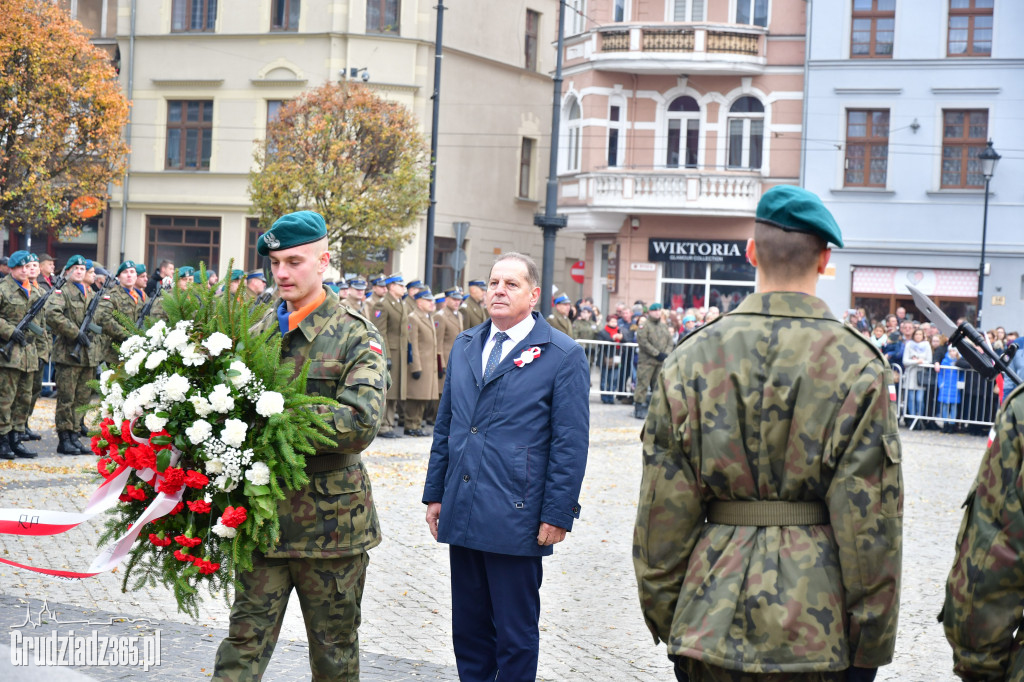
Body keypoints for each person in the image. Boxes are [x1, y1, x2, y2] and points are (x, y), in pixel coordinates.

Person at [634, 185, 902, 682]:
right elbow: (870, 524)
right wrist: (869, 645)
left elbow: (661, 513)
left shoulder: (690, 357)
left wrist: (672, 616)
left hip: (707, 611)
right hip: (816, 629)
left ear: (751, 251)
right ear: (825, 260)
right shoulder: (858, 364)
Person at [213, 210, 387, 682]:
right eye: (275, 263)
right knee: (242, 646)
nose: (283, 273)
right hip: (265, 521)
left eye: (295, 261)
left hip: (331, 529)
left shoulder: (355, 334)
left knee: (334, 655)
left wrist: (276, 412)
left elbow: (361, 423)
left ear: (323, 261)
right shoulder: (259, 329)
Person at [422, 252, 589, 682]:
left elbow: (570, 442)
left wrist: (557, 512)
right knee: (470, 632)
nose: (498, 290)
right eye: (494, 282)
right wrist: (436, 494)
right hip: (463, 505)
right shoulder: (466, 344)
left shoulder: (561, 354)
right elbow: (447, 424)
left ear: (533, 295)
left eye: (511, 284)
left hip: (516, 512)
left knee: (514, 636)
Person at [45, 254, 101, 455]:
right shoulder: (62, 291)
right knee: (67, 399)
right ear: (67, 272)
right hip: (68, 354)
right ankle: (64, 437)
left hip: (87, 356)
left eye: (82, 268)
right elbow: (52, 314)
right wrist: (75, 332)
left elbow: (100, 319)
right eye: (75, 268)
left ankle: (76, 435)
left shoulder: (91, 294)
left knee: (82, 399)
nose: (79, 271)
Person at [0, 251, 41, 459]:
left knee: (24, 399)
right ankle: (3, 440)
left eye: (28, 267)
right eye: (21, 268)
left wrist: (41, 350)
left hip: (29, 354)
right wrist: (9, 330)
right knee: (5, 399)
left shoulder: (34, 291)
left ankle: (17, 438)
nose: (26, 271)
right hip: (8, 354)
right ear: (11, 269)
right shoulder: (3, 289)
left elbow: (39, 325)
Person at [372, 273, 409, 438]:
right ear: (392, 286)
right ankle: (383, 426)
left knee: (396, 390)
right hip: (390, 352)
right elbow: (381, 332)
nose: (404, 288)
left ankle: (390, 424)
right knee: (387, 389)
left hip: (400, 352)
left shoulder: (400, 303)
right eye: (401, 285)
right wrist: (385, 355)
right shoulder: (382, 305)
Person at [404, 289, 438, 437]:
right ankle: (410, 424)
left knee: (423, 397)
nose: (432, 303)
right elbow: (413, 344)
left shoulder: (428, 317)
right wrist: (415, 366)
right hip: (419, 363)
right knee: (415, 396)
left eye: (432, 300)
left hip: (429, 364)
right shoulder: (413, 317)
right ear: (419, 302)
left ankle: (417, 424)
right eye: (428, 300)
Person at [633, 302, 673, 420]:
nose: (657, 312)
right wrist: (657, 353)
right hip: (647, 361)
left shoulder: (664, 326)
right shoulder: (644, 326)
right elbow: (643, 342)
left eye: (659, 310)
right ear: (649, 312)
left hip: (660, 362)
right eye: (654, 310)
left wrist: (666, 353)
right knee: (642, 385)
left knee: (658, 386)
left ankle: (655, 410)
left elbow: (670, 341)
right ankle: (639, 408)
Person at [901, 327, 931, 428]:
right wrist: (916, 361)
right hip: (910, 375)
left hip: (920, 377)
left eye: (920, 334)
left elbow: (929, 360)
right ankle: (912, 419)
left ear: (923, 336)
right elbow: (905, 361)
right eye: (916, 334)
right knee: (911, 398)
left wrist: (919, 361)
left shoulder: (926, 345)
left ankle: (919, 419)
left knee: (919, 399)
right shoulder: (909, 344)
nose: (918, 336)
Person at [935, 346, 962, 433]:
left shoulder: (959, 361)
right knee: (944, 406)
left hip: (955, 386)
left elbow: (962, 375)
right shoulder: (945, 361)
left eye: (954, 351)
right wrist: (941, 384)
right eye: (950, 351)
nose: (952, 353)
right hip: (945, 386)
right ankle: (945, 423)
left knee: (954, 406)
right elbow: (940, 374)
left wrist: (960, 383)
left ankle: (952, 424)